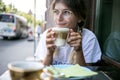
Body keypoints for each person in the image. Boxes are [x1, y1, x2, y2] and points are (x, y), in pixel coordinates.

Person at [34, 0, 101, 66]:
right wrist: (49, 53)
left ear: (79, 17)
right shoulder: (47, 35)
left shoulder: (88, 38)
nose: (59, 18)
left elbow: (86, 73)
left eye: (66, 12)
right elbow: (43, 72)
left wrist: (79, 51)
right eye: (56, 12)